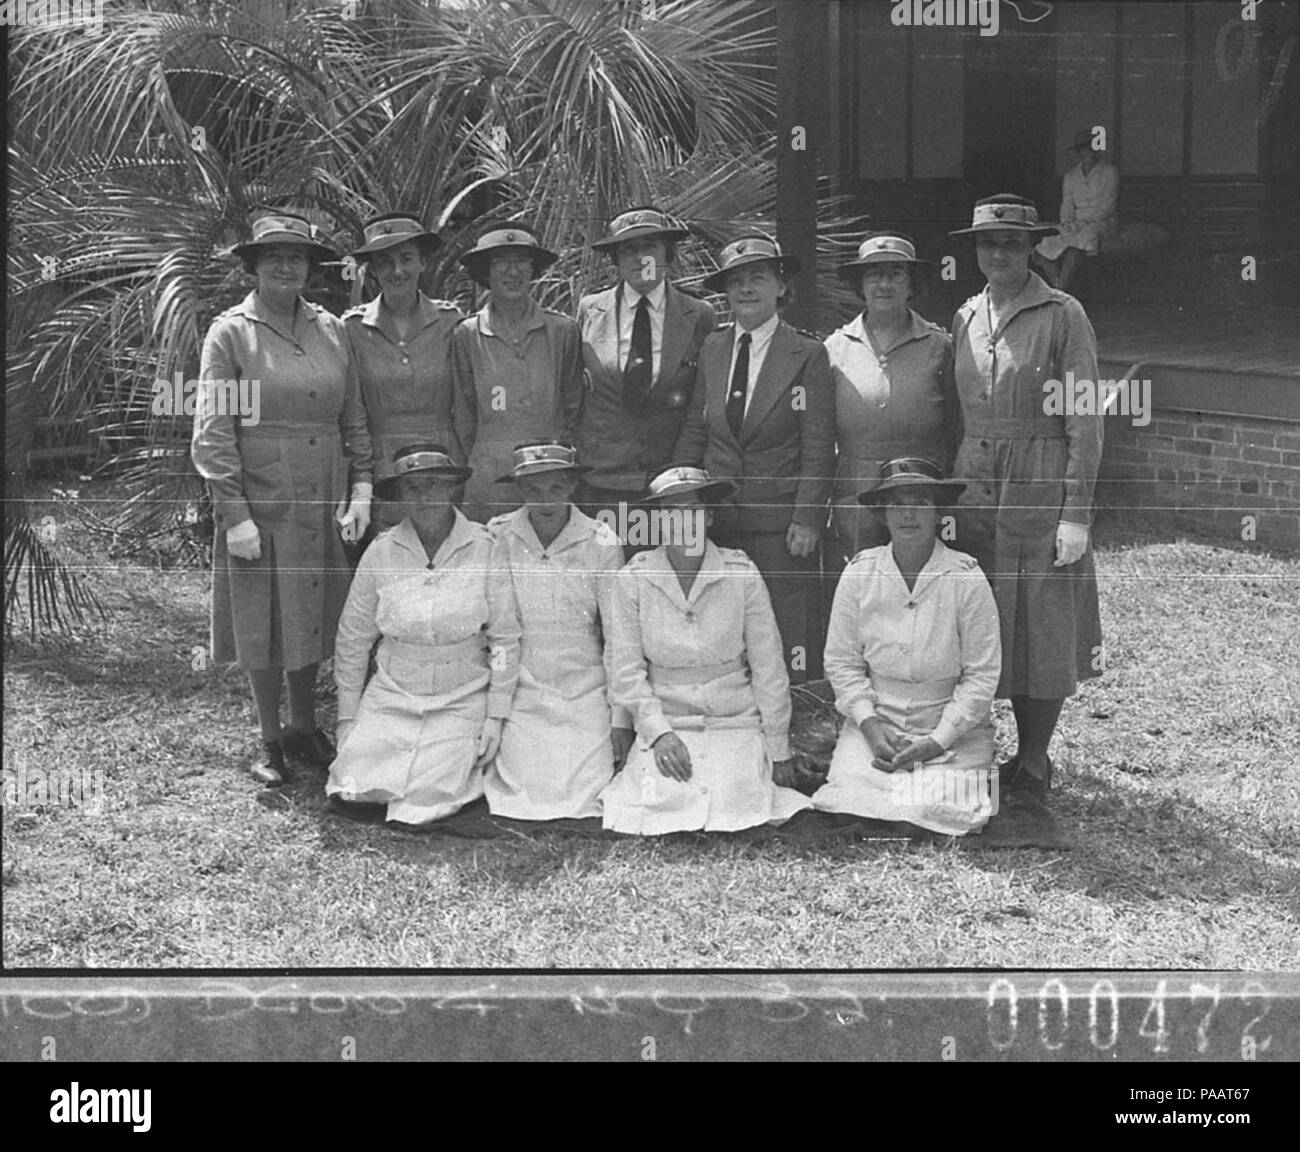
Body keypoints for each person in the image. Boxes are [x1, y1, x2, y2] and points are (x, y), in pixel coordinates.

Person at [192, 210, 373, 787]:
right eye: (276, 258)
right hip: (263, 493)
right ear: (254, 266)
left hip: (322, 492)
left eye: (299, 258)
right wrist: (234, 513)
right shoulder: (232, 333)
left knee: (312, 609)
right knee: (264, 616)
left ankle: (304, 725)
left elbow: (354, 414)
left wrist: (362, 484)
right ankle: (269, 737)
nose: (289, 267)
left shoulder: (330, 328)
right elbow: (215, 429)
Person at [949, 193, 1104, 801]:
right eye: (988, 243)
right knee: (986, 620)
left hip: (1037, 482)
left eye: (1012, 242)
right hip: (974, 488)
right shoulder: (965, 315)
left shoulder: (1063, 314)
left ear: (1032, 246)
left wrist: (1075, 514)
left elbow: (1085, 419)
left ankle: (1035, 756)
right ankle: (980, 743)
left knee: (1039, 622)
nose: (999, 253)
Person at [597, 465, 812, 835]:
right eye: (671, 512)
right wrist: (657, 733)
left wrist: (778, 749)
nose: (684, 522)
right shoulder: (634, 579)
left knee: (737, 799)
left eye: (693, 510)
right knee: (660, 799)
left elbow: (769, 666)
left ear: (710, 516)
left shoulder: (741, 572)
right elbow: (625, 671)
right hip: (669, 721)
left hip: (734, 720)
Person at [326, 443, 520, 828]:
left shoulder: (485, 547)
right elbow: (352, 640)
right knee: (355, 785)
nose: (424, 496)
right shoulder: (381, 552)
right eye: (412, 488)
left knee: (436, 792)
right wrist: (347, 720)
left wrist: (496, 717)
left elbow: (504, 638)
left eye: (434, 484)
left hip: (462, 693)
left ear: (453, 489)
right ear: (399, 496)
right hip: (395, 693)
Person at [673, 232, 834, 682]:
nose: (746, 288)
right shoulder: (714, 347)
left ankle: (792, 725)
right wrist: (676, 498)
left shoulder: (806, 354)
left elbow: (818, 446)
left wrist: (806, 518)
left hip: (779, 524)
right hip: (719, 519)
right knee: (723, 625)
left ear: (781, 287)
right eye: (736, 280)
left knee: (784, 629)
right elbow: (697, 427)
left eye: (758, 278)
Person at [812, 458, 1001, 835]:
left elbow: (982, 674)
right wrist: (869, 725)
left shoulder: (966, 578)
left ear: (937, 512)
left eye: (920, 503)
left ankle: (945, 779)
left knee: (937, 805)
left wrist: (937, 740)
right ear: (882, 514)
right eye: (897, 505)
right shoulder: (860, 573)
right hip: (880, 724)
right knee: (850, 800)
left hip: (949, 728)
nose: (908, 515)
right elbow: (842, 662)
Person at [484, 440, 635, 820]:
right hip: (522, 678)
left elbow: (618, 633)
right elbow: (499, 628)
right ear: (519, 491)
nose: (545, 500)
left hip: (583, 679)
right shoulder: (499, 535)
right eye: (533, 490)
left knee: (589, 781)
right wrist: (496, 711)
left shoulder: (601, 538)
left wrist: (620, 717)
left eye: (555, 488)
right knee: (520, 782)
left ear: (572, 487)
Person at [575, 205, 717, 554]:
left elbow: (703, 403)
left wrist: (681, 470)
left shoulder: (699, 315)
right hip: (604, 483)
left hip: (670, 485)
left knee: (665, 584)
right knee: (608, 583)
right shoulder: (588, 311)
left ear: (667, 254)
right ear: (615, 259)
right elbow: (573, 395)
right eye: (628, 249)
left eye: (650, 246)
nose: (640, 258)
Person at [824, 231, 957, 567]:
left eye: (896, 274)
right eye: (874, 275)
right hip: (856, 493)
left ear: (912, 284)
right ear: (860, 285)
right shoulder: (834, 349)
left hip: (921, 489)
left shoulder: (939, 346)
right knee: (860, 587)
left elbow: (958, 427)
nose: (884, 285)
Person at [450, 222, 584, 521]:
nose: (513, 271)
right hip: (489, 476)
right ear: (485, 271)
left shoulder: (562, 330)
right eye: (501, 262)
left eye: (521, 261)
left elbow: (574, 405)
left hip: (548, 474)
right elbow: (464, 414)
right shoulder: (468, 334)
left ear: (533, 268)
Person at [343, 213, 464, 526]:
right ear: (372, 271)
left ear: (423, 263)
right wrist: (363, 484)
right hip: (386, 471)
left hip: (443, 463)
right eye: (385, 262)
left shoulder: (451, 322)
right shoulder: (353, 329)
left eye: (407, 259)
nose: (398, 271)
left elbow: (468, 405)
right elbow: (353, 413)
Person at [1034, 129, 1120, 294]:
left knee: (1076, 248)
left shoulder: (1110, 172)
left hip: (1102, 224)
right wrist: (1067, 223)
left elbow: (1108, 207)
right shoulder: (1071, 176)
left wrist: (1083, 223)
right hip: (1076, 225)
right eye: (1084, 149)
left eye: (1092, 148)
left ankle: (1059, 294)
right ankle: (1061, 290)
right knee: (1045, 248)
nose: (1089, 153)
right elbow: (1067, 206)